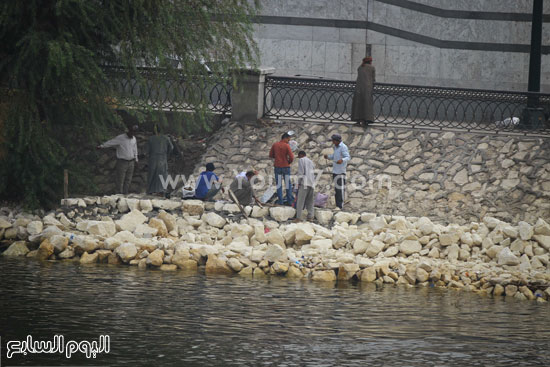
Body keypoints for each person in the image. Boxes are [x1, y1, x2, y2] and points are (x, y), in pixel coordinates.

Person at [98, 125, 138, 195]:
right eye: (132, 132)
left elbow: (135, 149)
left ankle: (125, 194)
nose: (133, 134)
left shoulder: (134, 138)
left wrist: (136, 158)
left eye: (134, 132)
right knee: (120, 179)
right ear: (128, 131)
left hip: (131, 161)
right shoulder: (121, 138)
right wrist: (102, 146)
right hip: (122, 161)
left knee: (128, 179)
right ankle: (119, 194)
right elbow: (111, 142)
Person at [324, 134, 350, 210]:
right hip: (335, 170)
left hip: (341, 171)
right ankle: (337, 205)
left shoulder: (343, 147)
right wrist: (328, 157)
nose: (332, 142)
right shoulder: (336, 147)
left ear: (336, 141)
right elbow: (334, 156)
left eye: (333, 140)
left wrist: (342, 160)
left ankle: (340, 206)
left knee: (340, 189)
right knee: (336, 189)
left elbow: (348, 157)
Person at [146, 124, 173, 196]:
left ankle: (150, 190)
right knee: (162, 174)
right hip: (162, 158)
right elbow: (171, 148)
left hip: (153, 158)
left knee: (152, 174)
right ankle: (161, 190)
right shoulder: (166, 138)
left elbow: (146, 151)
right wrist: (167, 154)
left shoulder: (150, 139)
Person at [269, 132, 294, 205]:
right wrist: (288, 162)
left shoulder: (275, 145)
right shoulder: (286, 146)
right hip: (286, 166)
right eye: (288, 139)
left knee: (279, 185)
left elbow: (271, 155)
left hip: (277, 166)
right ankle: (290, 201)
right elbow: (291, 157)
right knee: (288, 184)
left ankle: (280, 201)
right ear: (285, 138)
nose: (289, 141)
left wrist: (277, 157)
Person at [351, 56, 375, 127]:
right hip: (367, 89)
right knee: (367, 105)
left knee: (358, 105)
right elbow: (373, 79)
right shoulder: (372, 68)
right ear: (370, 62)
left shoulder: (360, 67)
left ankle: (358, 120)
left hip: (358, 88)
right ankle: (366, 120)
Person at [295, 151, 316, 222]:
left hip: (305, 183)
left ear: (300, 155)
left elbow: (301, 172)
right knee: (310, 201)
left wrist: (298, 183)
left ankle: (298, 217)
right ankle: (310, 217)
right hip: (312, 183)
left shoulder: (301, 160)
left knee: (300, 201)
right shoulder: (311, 162)